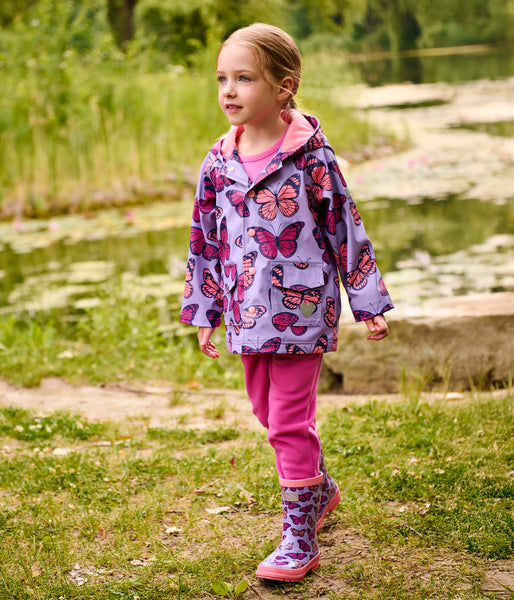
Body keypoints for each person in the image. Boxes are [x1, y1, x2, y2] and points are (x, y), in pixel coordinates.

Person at [180, 23, 393, 582]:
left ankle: (299, 537)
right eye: (222, 78)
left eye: (244, 78)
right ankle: (318, 488)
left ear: (283, 87)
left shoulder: (311, 157)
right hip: (246, 311)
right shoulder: (217, 163)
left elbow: (346, 228)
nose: (229, 90)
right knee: (266, 411)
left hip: (302, 309)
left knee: (288, 423)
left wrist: (367, 301)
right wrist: (205, 311)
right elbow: (205, 242)